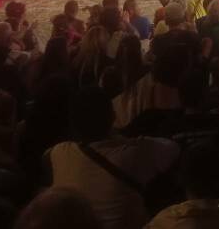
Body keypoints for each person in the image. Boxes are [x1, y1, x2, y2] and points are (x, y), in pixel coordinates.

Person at [47, 87, 180, 229]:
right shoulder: (131, 155)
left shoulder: (58, 152)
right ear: (113, 116)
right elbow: (172, 149)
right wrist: (128, 141)